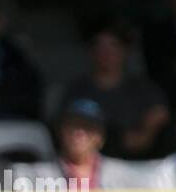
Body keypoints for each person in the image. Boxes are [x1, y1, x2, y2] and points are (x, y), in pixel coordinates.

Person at [61, 21, 170, 160]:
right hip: (93, 165)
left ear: (126, 50)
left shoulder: (144, 88)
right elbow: (67, 127)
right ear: (90, 51)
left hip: (143, 165)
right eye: (99, 46)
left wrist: (146, 132)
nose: (106, 53)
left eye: (113, 45)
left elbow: (160, 113)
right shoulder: (77, 90)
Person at [28, 100, 145, 191]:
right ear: (61, 132)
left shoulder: (121, 174)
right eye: (73, 126)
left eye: (88, 128)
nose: (79, 133)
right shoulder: (39, 174)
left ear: (100, 138)